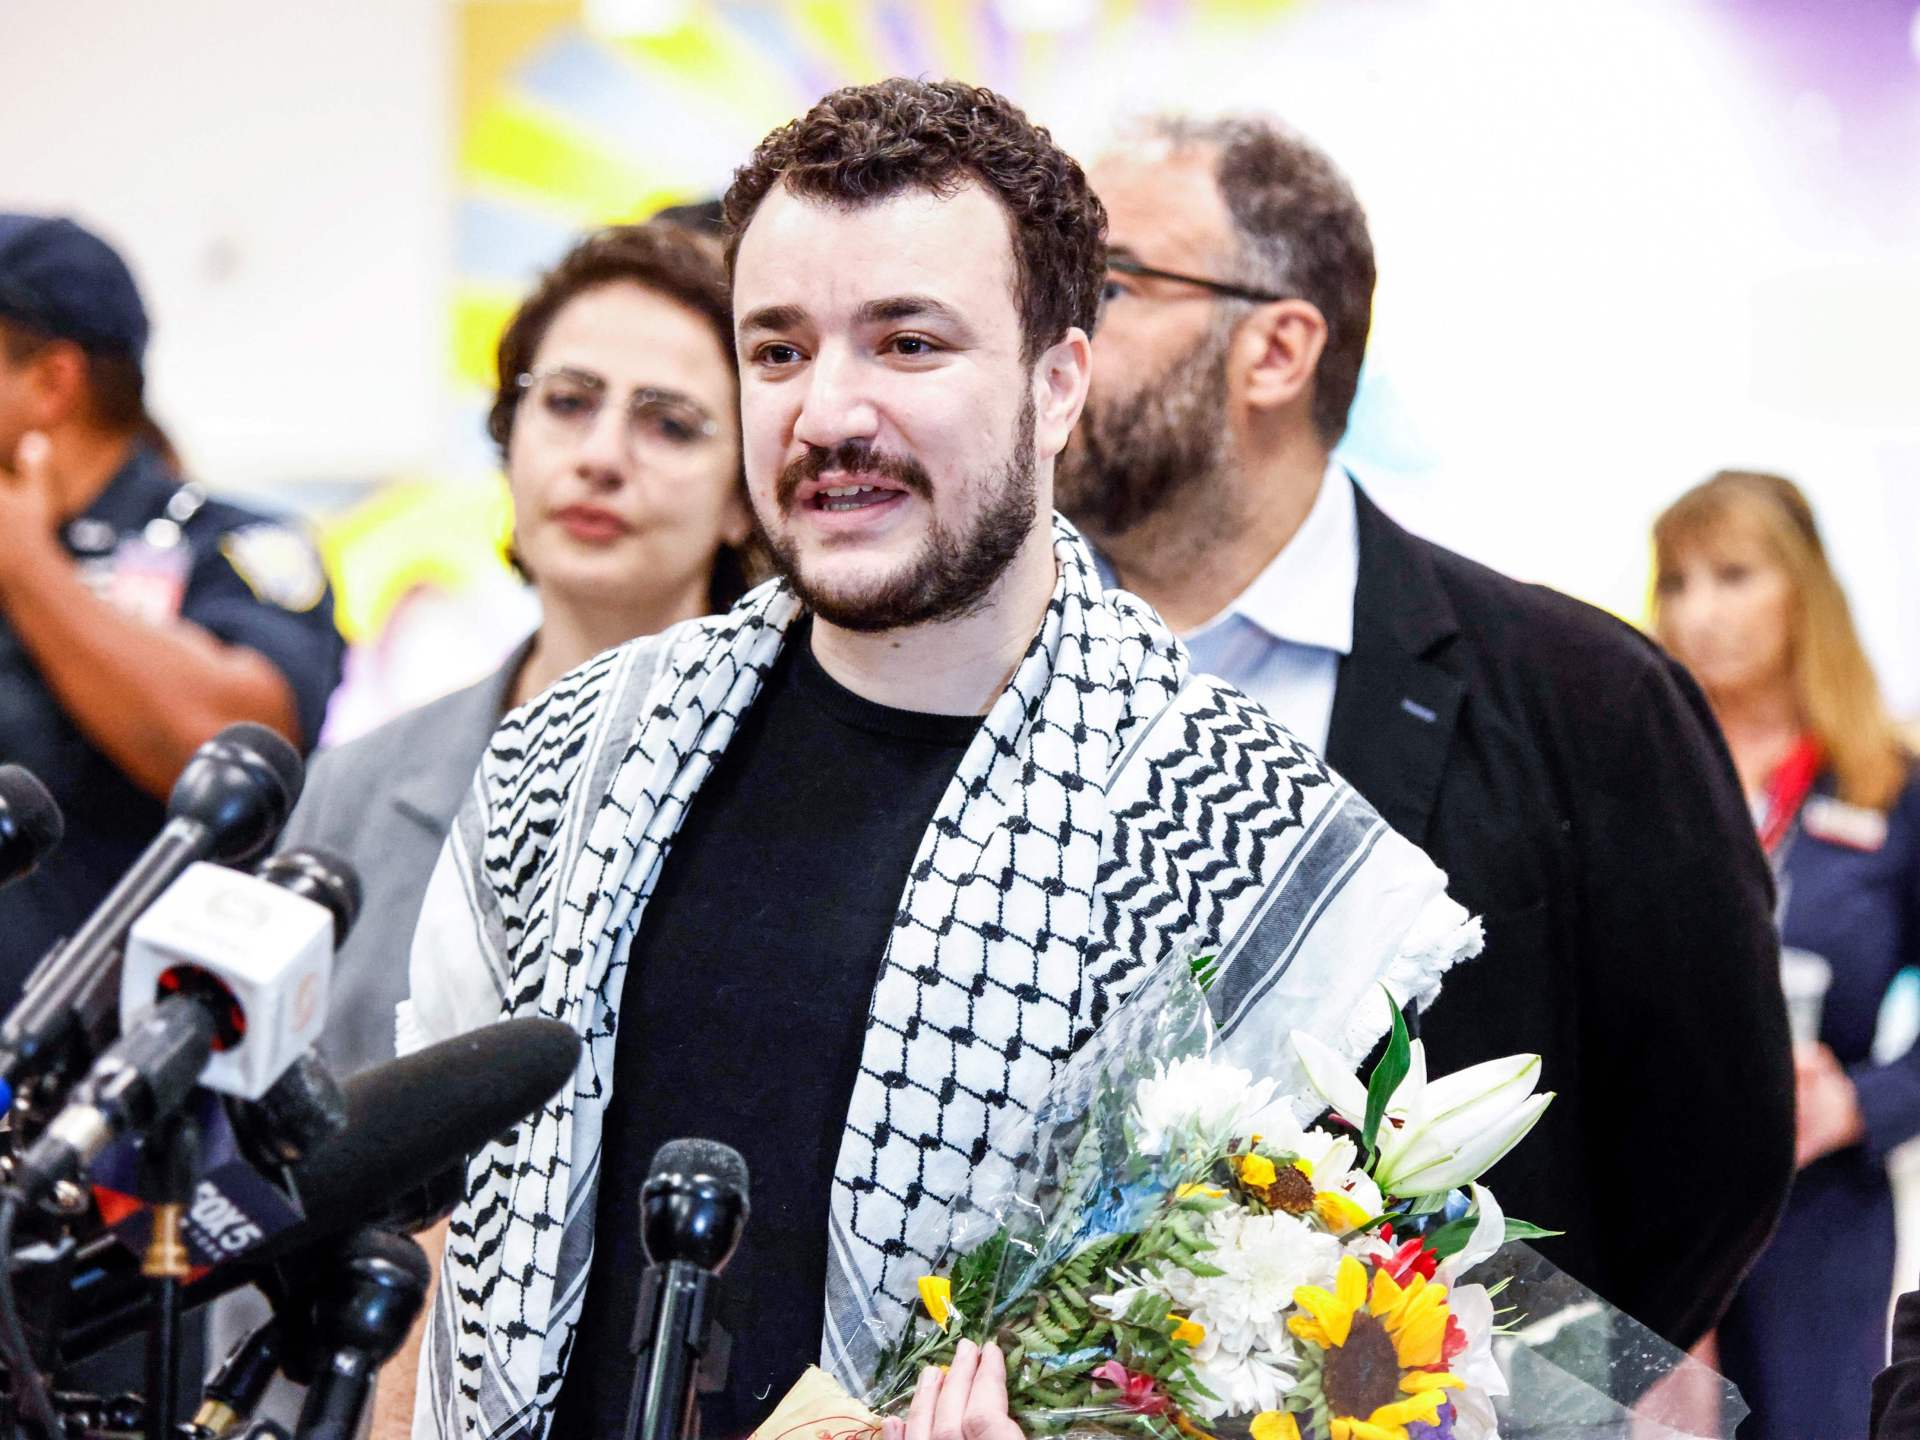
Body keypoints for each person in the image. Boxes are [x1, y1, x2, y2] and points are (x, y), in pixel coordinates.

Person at [394, 79, 1485, 1440]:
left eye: (907, 344)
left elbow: (1302, 1367)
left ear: (1058, 384)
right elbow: (430, 1226)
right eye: (778, 351)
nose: (828, 414)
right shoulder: (575, 756)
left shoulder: (1250, 849)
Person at [1053, 114, 1793, 1348]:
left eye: (1110, 287)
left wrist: (1495, 1390)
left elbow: (1712, 1153)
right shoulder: (972, 679)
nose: (1052, 336)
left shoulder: (1587, 698)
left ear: (1277, 349)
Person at [277, 221, 753, 1080]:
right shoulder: (352, 791)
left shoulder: (794, 788)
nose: (601, 457)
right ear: (508, 438)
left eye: (671, 425)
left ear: (744, 501)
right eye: (568, 403)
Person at [0, 214, 343, 1008]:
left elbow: (235, 748)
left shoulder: (232, 544)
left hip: (136, 1059)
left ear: (52, 383)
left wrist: (26, 562)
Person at [1652, 471, 1920, 1439]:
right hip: (1643, 1197)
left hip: (1814, 1224)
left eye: (1733, 575)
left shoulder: (1889, 786)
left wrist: (1862, 1102)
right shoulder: (1636, 767)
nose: (1700, 612)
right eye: (1677, 581)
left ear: (1805, 589)